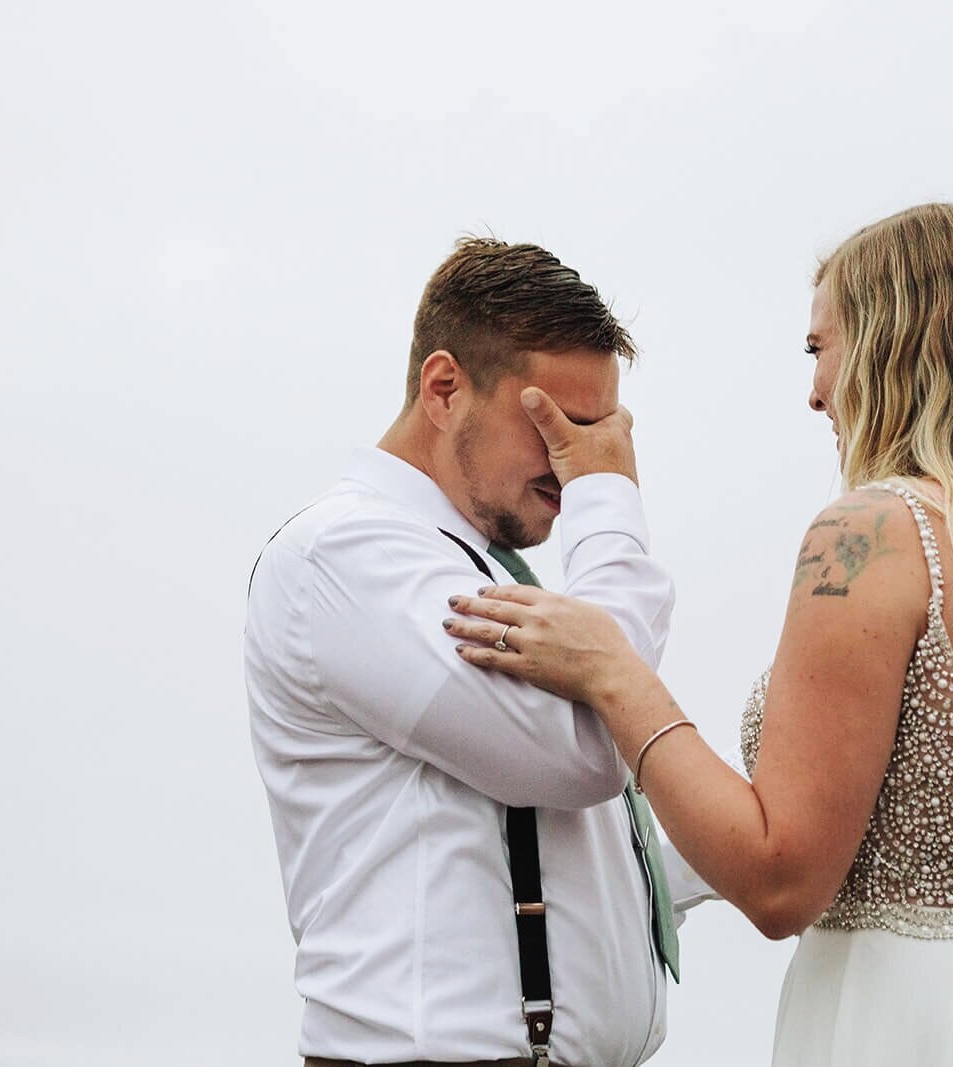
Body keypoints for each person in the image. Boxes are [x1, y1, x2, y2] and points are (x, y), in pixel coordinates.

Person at [446, 203, 953, 1065]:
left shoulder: (871, 537)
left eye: (820, 348)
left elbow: (779, 879)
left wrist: (614, 675)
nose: (813, 390)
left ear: (897, 340)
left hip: (903, 1030)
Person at [245, 237, 689, 1067]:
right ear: (444, 388)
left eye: (597, 432)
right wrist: (609, 504)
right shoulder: (350, 556)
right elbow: (586, 752)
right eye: (553, 423)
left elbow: (569, 830)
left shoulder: (470, 565)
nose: (575, 458)